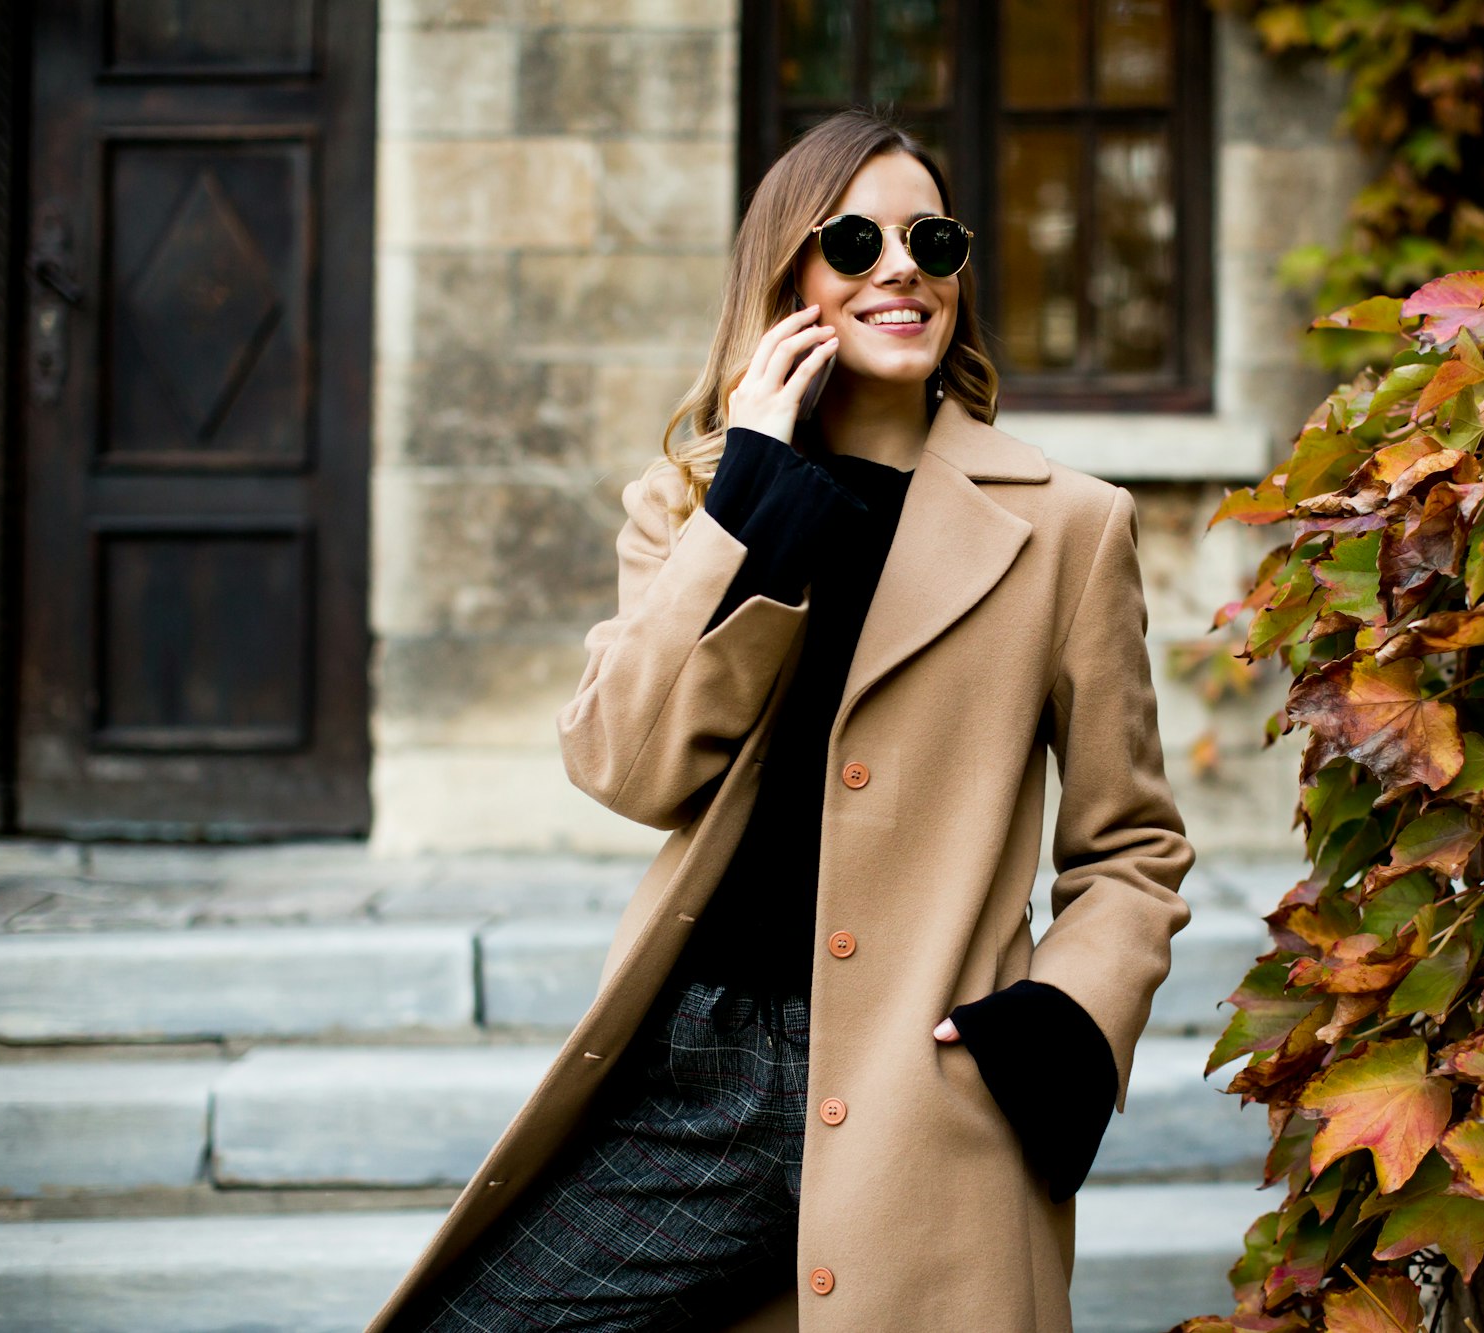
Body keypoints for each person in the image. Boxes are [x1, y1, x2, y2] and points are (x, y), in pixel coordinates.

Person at [370, 107, 1193, 1333]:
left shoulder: (1067, 525)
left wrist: (1062, 1024)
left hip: (919, 1077)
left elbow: (1132, 846)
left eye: (933, 238)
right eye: (854, 240)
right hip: (697, 1056)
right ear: (787, 276)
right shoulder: (689, 503)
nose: (900, 266)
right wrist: (747, 498)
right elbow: (623, 763)